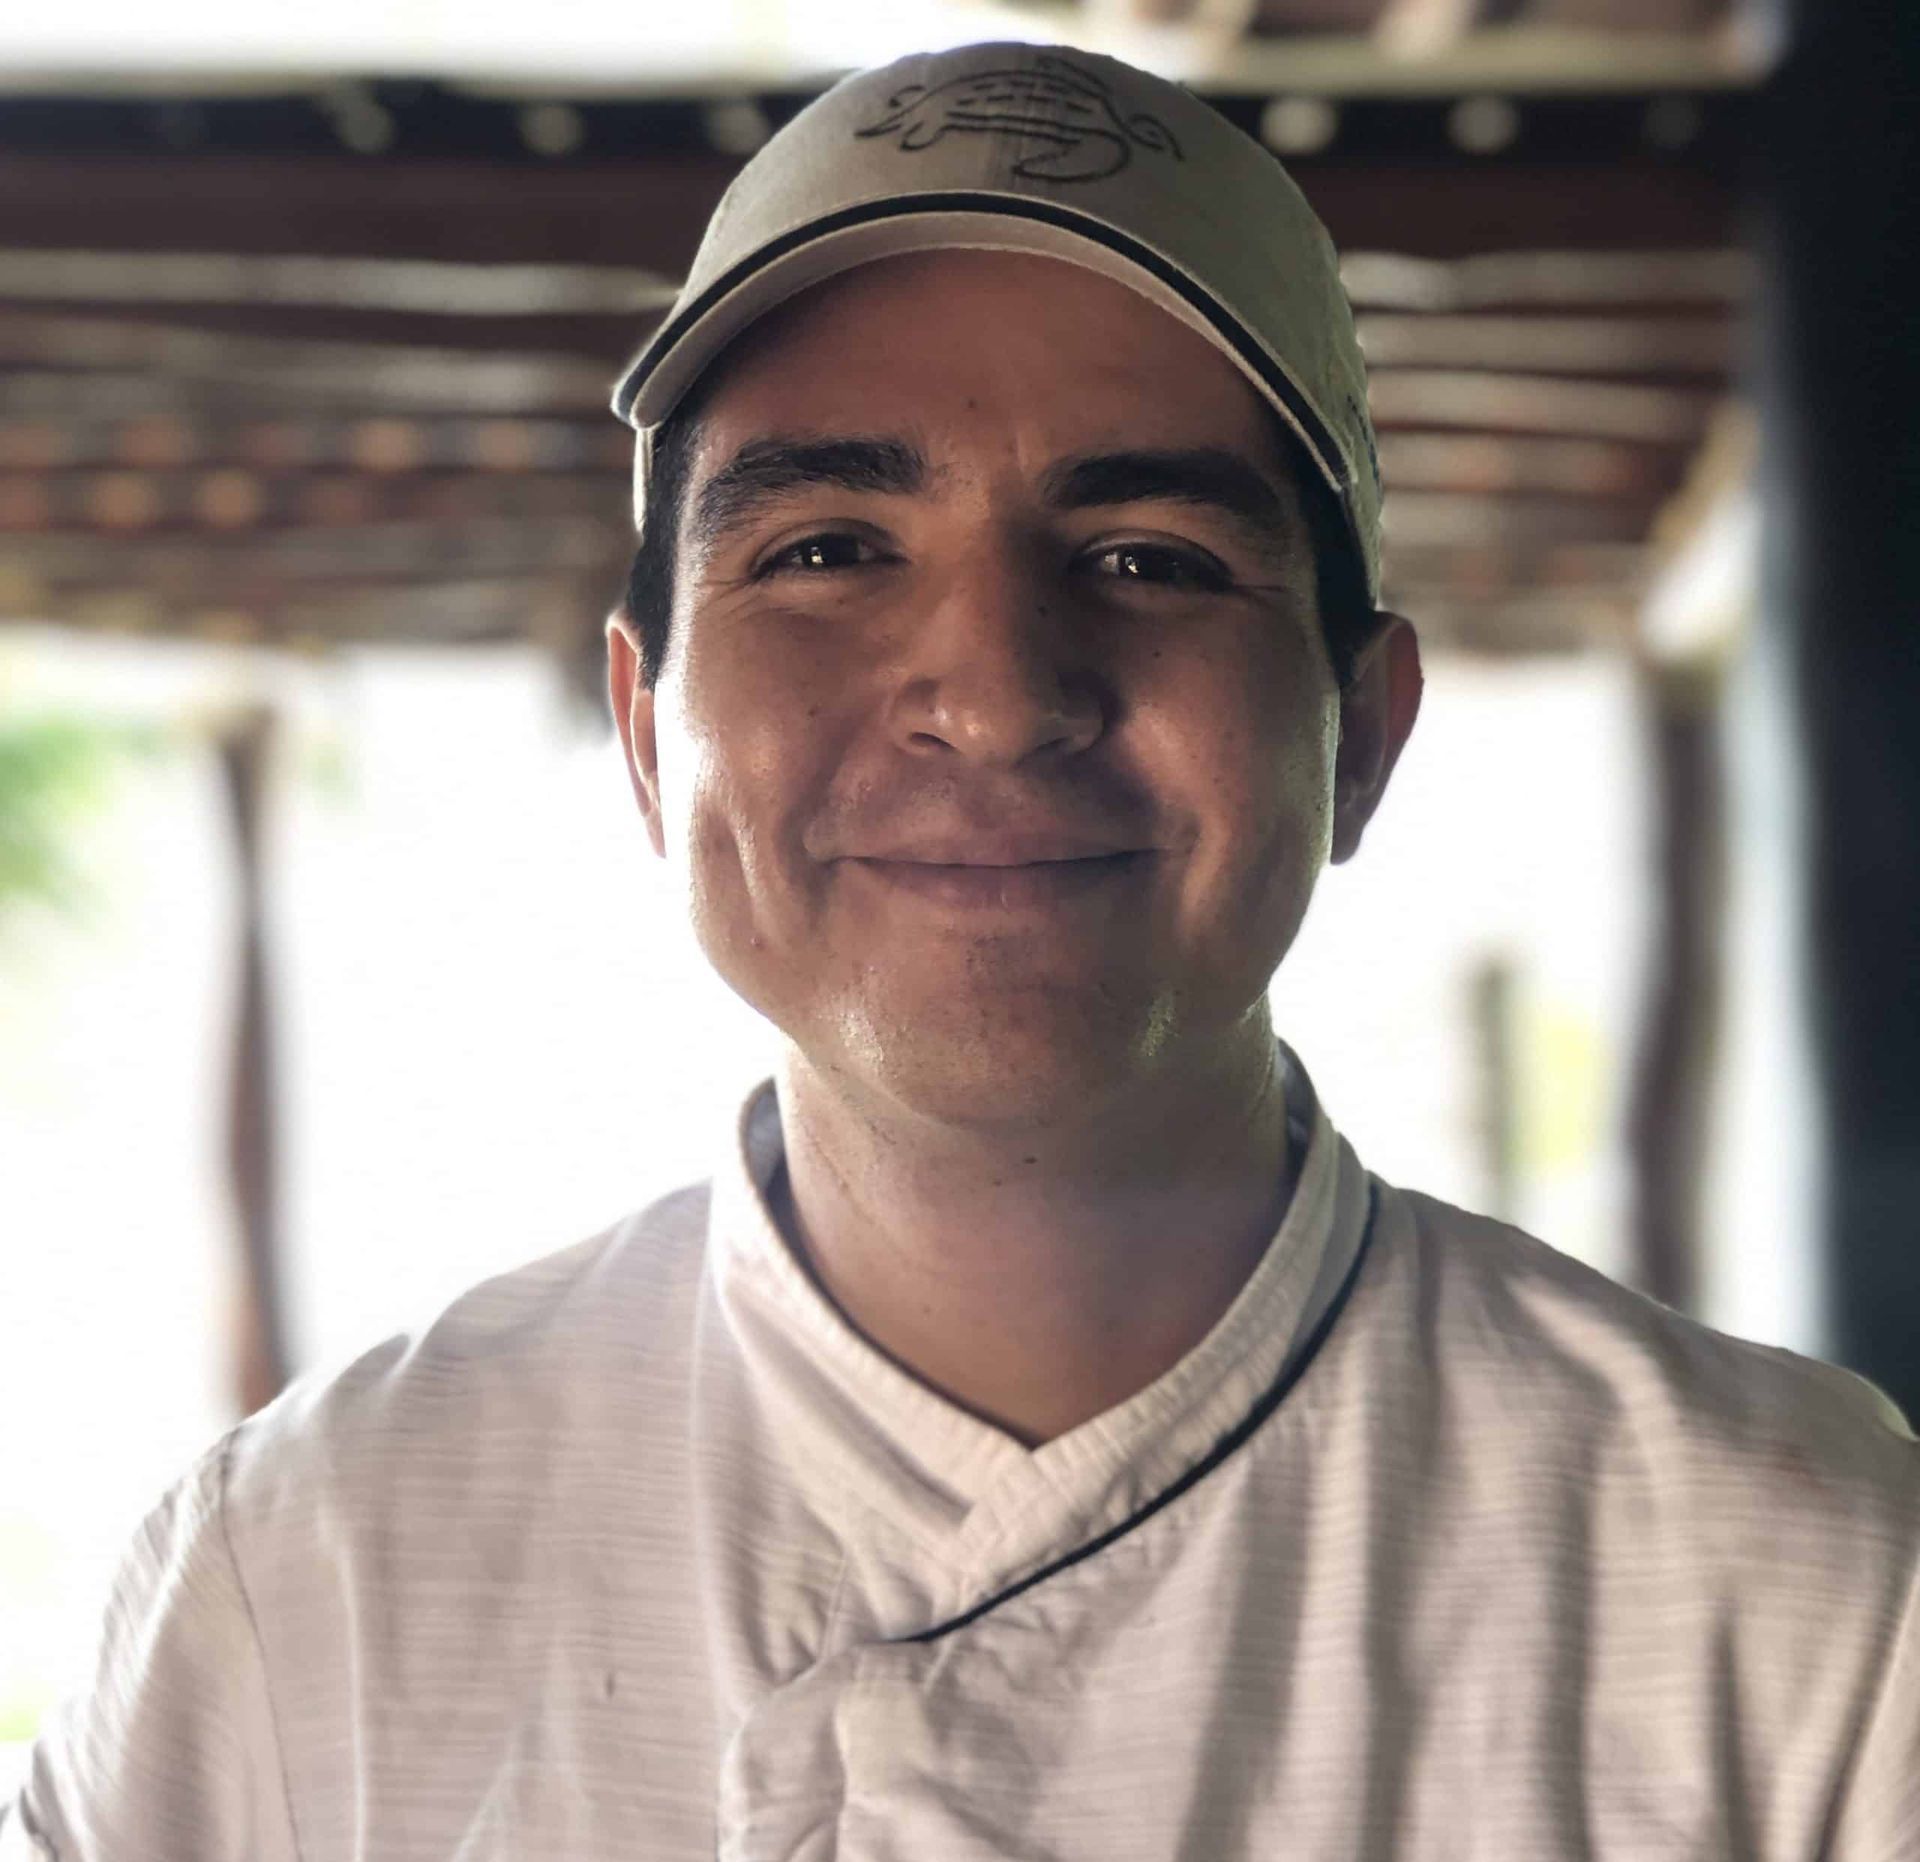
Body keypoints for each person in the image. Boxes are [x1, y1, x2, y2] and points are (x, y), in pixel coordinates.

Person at [5, 40, 1916, 1862]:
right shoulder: (282, 1600)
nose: (998, 699)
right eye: (827, 548)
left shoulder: (1807, 1597)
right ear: (648, 729)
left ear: (1367, 731)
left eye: (1155, 556)